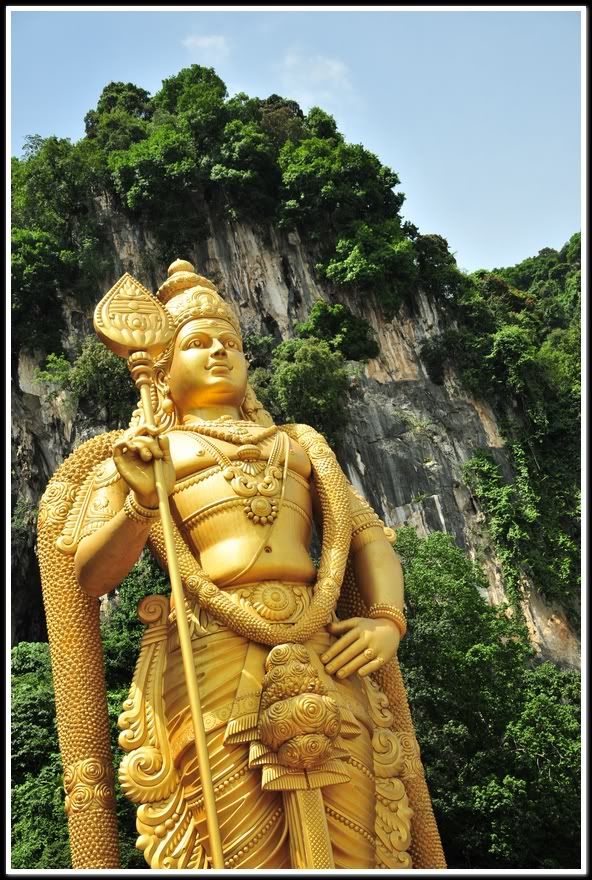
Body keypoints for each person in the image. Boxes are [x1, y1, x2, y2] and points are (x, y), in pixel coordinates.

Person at [38, 260, 446, 870]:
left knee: (358, 842)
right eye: (198, 343)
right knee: (234, 846)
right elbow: (90, 577)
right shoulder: (147, 451)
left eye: (230, 342)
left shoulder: (301, 442)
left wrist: (387, 618)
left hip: (322, 647)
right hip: (211, 655)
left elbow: (366, 537)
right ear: (164, 368)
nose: (219, 352)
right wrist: (141, 501)